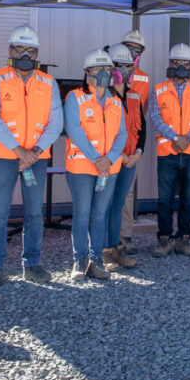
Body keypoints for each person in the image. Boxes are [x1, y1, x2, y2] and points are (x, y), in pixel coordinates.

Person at [0, 24, 64, 287]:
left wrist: (34, 152)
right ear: (10, 50)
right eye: (20, 49)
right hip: (4, 156)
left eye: (31, 50)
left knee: (35, 213)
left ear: (37, 54)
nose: (25, 54)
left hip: (36, 159)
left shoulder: (48, 82)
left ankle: (33, 264)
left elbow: (56, 121)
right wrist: (19, 150)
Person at [64, 49, 126, 282]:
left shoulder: (115, 101)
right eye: (98, 68)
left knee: (99, 215)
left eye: (108, 68)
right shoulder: (75, 97)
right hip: (82, 168)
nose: (103, 72)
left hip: (108, 168)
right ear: (87, 72)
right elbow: (75, 130)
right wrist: (97, 159)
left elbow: (122, 134)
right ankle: (79, 261)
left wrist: (108, 159)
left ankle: (96, 260)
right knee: (82, 215)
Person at [150, 43, 190, 256]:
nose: (181, 66)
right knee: (164, 199)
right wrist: (175, 138)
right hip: (168, 152)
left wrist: (188, 138)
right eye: (177, 62)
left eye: (185, 63)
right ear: (170, 64)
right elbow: (156, 118)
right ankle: (164, 240)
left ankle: (183, 240)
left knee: (188, 199)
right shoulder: (158, 90)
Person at [103, 43, 145, 269]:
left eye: (130, 66)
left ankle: (116, 249)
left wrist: (138, 153)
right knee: (104, 206)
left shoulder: (134, 96)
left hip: (130, 161)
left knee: (118, 204)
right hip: (110, 161)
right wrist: (118, 156)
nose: (127, 71)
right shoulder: (102, 97)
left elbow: (142, 129)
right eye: (122, 66)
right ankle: (103, 252)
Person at [115, 30, 151, 245]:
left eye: (136, 49)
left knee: (127, 195)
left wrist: (137, 150)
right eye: (128, 46)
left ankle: (124, 237)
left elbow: (140, 113)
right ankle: (107, 241)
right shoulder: (110, 71)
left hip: (130, 146)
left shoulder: (143, 78)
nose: (132, 51)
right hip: (110, 147)